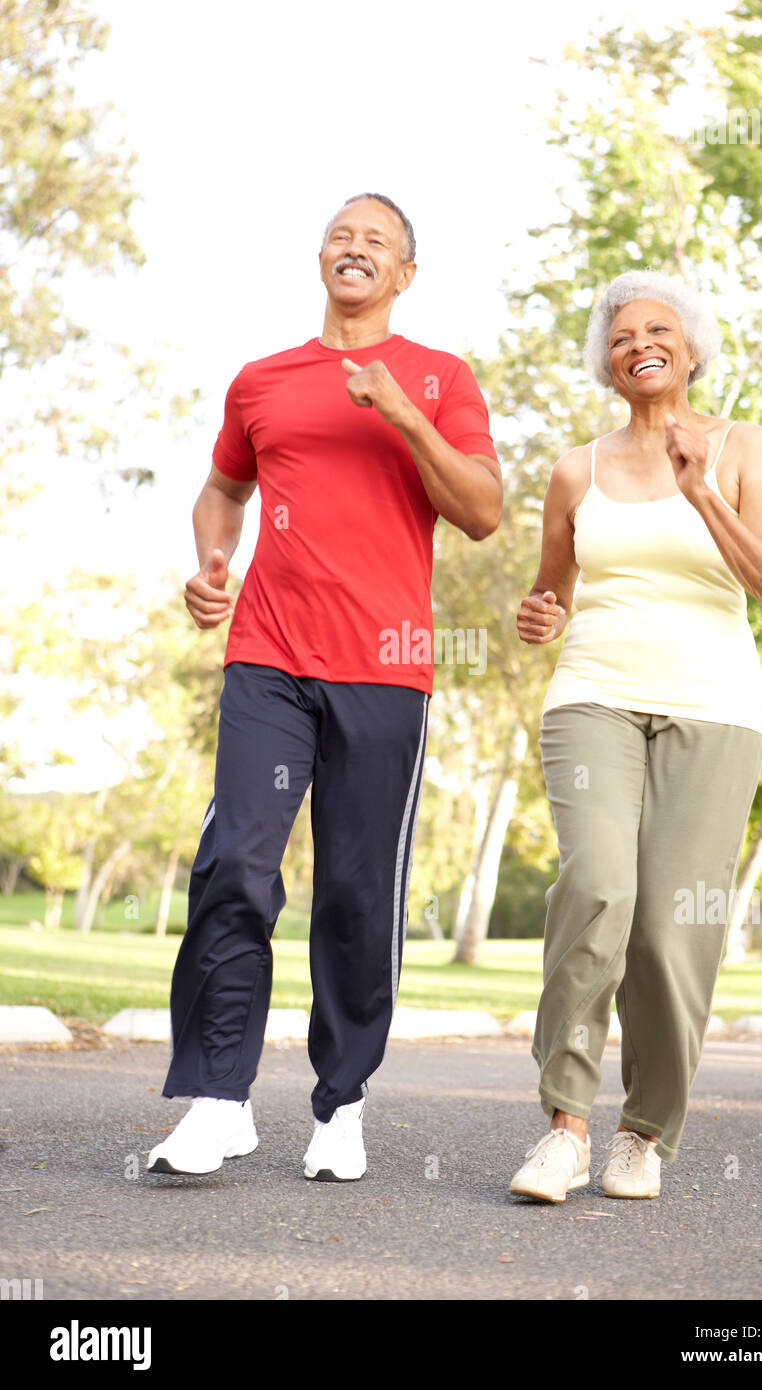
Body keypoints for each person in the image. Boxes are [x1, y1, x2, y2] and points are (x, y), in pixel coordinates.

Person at [147, 193, 501, 1180]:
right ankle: (217, 1099)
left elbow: (481, 509)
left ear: (404, 275)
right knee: (233, 866)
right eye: (340, 236)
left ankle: (339, 1102)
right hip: (267, 655)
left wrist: (402, 416)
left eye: (375, 241)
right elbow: (223, 488)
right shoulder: (262, 381)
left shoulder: (438, 378)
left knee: (354, 889)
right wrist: (213, 561)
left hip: (384, 669)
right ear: (320, 261)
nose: (355, 248)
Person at [510, 270, 762, 1202]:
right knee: (597, 889)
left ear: (691, 346)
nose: (641, 343)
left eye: (659, 329)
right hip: (594, 696)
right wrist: (540, 617)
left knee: (674, 933)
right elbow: (556, 592)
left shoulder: (744, 447)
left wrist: (701, 490)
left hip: (713, 710)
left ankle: (646, 1134)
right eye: (623, 333)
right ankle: (565, 1127)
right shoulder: (573, 469)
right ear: (608, 359)